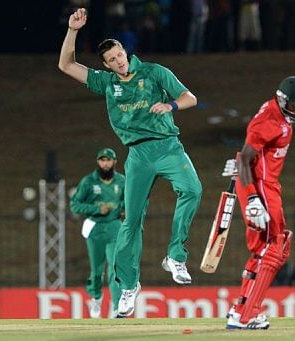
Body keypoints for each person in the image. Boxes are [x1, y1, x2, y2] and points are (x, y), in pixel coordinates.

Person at [59, 8, 203, 318]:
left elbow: (190, 97)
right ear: (107, 64)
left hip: (168, 148)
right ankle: (128, 287)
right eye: (112, 60)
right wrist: (73, 30)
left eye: (120, 54)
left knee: (193, 189)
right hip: (137, 155)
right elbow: (66, 65)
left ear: (126, 52)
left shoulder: (154, 72)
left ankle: (176, 257)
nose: (119, 61)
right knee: (131, 222)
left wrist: (170, 105)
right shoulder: (106, 83)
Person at [221, 76, 295, 329]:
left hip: (267, 184)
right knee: (276, 246)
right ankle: (248, 314)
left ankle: (240, 308)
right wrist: (252, 197)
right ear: (283, 100)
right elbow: (244, 161)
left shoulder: (279, 114)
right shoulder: (268, 121)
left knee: (262, 250)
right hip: (261, 186)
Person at [70, 148, 125, 318]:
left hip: (114, 227)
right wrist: (96, 209)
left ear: (114, 162)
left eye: (108, 160)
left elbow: (129, 201)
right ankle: (96, 298)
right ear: (98, 162)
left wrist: (123, 209)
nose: (105, 163)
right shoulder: (89, 181)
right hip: (95, 228)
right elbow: (75, 204)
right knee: (96, 270)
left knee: (115, 268)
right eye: (102, 160)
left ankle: (117, 307)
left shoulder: (122, 181)